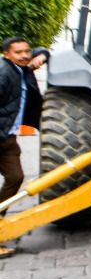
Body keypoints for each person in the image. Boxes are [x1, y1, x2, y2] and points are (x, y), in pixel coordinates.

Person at [0, 37, 35, 213]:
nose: (24, 55)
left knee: (15, 177)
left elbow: (42, 51)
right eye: (18, 52)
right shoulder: (3, 72)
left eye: (27, 51)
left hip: (8, 138)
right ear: (7, 55)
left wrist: (41, 55)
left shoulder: (20, 69)